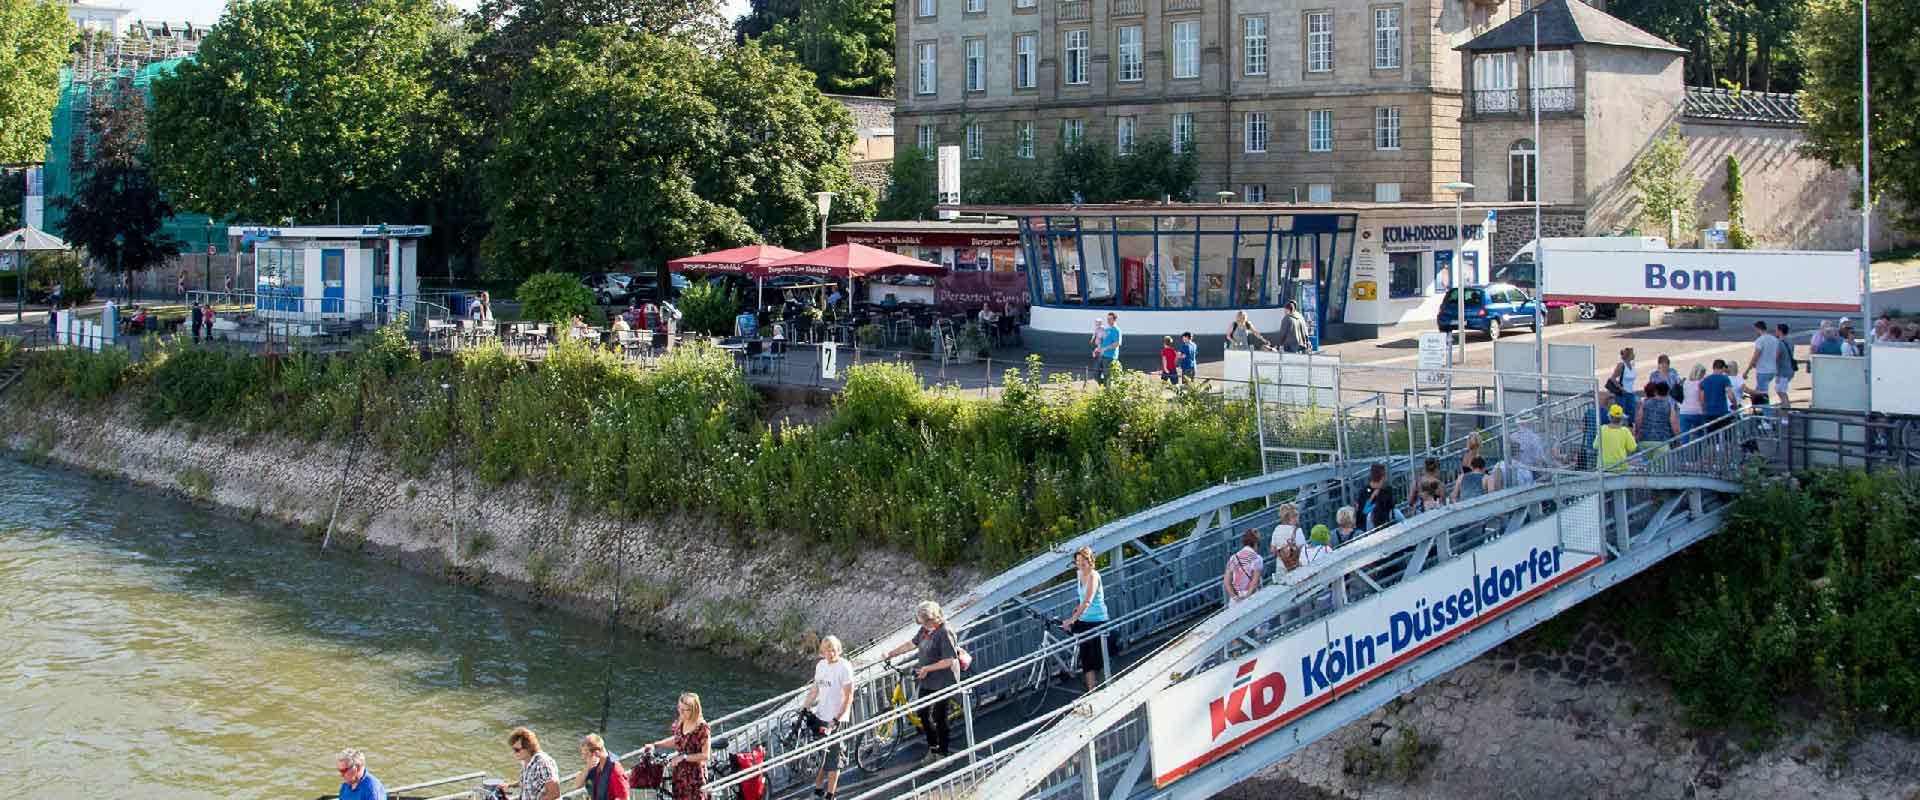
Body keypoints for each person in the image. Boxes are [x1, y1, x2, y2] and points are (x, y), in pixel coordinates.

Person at [881, 601, 958, 763]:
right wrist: (891, 653)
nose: (921, 624)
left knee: (939, 716)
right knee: (923, 713)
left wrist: (927, 669)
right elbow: (912, 643)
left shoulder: (945, 632)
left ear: (932, 619)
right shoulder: (925, 630)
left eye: (923, 622)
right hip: (928, 679)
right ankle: (933, 749)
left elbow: (949, 660)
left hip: (944, 680)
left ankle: (943, 754)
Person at [803, 635, 856, 800]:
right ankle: (818, 789)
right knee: (821, 756)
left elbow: (849, 696)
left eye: (834, 650)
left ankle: (830, 794)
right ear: (822, 652)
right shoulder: (821, 666)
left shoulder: (844, 667)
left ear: (839, 650)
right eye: (827, 650)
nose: (831, 653)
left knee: (833, 757)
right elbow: (815, 690)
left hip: (837, 719)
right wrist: (805, 707)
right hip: (821, 715)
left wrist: (838, 718)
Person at [640, 694, 712, 800]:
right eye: (679, 708)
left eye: (685, 710)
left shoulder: (702, 727)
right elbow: (677, 740)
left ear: (694, 710)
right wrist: (656, 744)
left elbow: (706, 755)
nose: (681, 712)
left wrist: (684, 757)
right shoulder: (680, 722)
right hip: (679, 773)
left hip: (694, 775)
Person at [1062, 546, 1109, 690]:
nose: (1080, 563)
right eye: (1077, 561)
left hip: (1097, 621)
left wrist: (1072, 619)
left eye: (1083, 560)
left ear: (1090, 561)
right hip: (1084, 619)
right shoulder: (1079, 574)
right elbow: (1083, 598)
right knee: (1086, 658)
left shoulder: (1094, 576)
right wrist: (1078, 608)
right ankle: (1091, 690)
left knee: (1096, 658)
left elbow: (1088, 600)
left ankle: (1105, 685)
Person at [506, 727, 561, 800]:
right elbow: (527, 782)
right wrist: (509, 785)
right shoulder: (526, 760)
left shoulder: (542, 763)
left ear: (528, 747)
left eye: (517, 750)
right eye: (513, 749)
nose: (514, 753)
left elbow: (555, 793)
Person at [574, 734, 628, 800]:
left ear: (596, 753)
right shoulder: (593, 766)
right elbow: (577, 785)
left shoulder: (615, 769)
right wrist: (587, 767)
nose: (583, 758)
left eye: (586, 754)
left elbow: (624, 797)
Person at [1223, 530, 1264, 606]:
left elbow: (1226, 582)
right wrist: (1246, 598)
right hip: (1252, 598)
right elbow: (1254, 582)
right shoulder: (1257, 558)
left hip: (1235, 600)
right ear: (1256, 543)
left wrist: (1235, 597)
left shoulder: (1233, 558)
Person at [1744, 320, 1781, 405]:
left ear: (1758, 329)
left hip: (1763, 371)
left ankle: (1766, 415)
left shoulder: (1760, 340)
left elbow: (1756, 356)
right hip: (1772, 370)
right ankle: (1756, 410)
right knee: (1756, 392)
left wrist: (1747, 371)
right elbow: (1777, 355)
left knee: (1762, 395)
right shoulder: (1774, 339)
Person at [1594, 404, 1638, 473]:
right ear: (1621, 418)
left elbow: (1595, 446)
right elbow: (1632, 448)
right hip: (1620, 467)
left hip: (1603, 467)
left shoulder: (1602, 429)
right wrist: (1634, 435)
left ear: (1609, 417)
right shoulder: (1625, 431)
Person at [1634, 381, 1680, 446]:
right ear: (1667, 392)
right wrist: (1678, 440)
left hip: (1644, 440)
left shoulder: (1645, 403)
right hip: (1663, 442)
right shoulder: (1669, 406)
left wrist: (1636, 434)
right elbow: (1674, 424)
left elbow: (1639, 420)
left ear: (1656, 391)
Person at [1700, 360, 1738, 428]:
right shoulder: (1725, 379)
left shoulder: (1705, 380)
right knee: (1725, 436)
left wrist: (1704, 411)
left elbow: (1702, 399)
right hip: (1721, 413)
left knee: (1711, 436)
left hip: (1709, 413)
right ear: (1723, 367)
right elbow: (1730, 396)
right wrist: (1735, 406)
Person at [1606, 348, 1638, 426]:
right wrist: (1621, 388)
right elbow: (1613, 378)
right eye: (1632, 353)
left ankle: (1630, 430)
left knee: (1632, 414)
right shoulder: (1621, 365)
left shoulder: (1632, 364)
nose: (1634, 355)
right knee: (1622, 414)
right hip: (1622, 394)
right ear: (1628, 355)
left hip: (1631, 393)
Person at [1678, 364, 1709, 440]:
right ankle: (1699, 451)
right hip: (1697, 412)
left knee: (1684, 436)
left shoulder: (1685, 382)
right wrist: (1705, 410)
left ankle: (1684, 451)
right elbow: (1701, 399)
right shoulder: (1701, 383)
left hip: (1684, 412)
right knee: (1700, 436)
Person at [1361, 462, 1394, 530]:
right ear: (1383, 477)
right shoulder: (1364, 491)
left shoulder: (1387, 489)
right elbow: (1364, 511)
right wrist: (1373, 497)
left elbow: (1391, 506)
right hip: (1372, 523)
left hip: (1385, 520)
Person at [1095, 312, 1122, 385]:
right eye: (1107, 319)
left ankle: (1107, 391)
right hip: (1101, 355)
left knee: (1107, 376)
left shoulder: (1116, 330)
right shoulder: (1107, 329)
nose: (1108, 321)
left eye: (1110, 319)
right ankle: (1104, 388)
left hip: (1110, 357)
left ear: (1114, 320)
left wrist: (1106, 348)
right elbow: (1102, 341)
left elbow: (1117, 343)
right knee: (1096, 375)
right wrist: (1098, 348)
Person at [1773, 323, 1796, 407]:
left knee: (1781, 391)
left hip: (1783, 371)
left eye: (1776, 330)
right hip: (1790, 369)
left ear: (1780, 331)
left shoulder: (1779, 343)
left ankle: (1786, 410)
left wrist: (1776, 373)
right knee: (1781, 390)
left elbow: (1776, 358)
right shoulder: (1790, 341)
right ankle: (1785, 406)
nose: (1775, 332)